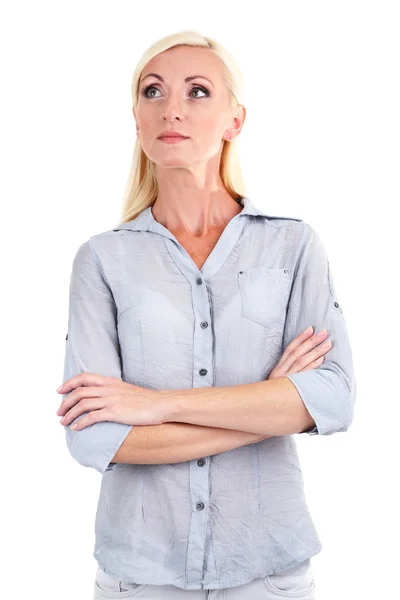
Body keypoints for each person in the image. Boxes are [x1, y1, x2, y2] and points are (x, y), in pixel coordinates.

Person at [57, 30, 356, 599]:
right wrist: (269, 405)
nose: (172, 108)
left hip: (267, 573)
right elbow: (97, 439)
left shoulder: (293, 247)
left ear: (235, 120)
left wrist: (155, 406)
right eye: (153, 91)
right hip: (140, 576)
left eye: (197, 92)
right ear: (136, 119)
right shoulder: (101, 260)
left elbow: (333, 399)